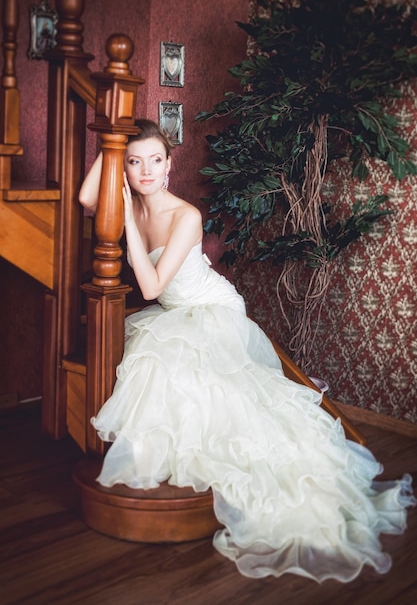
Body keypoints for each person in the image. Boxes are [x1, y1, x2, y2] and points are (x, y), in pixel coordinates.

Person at [79, 118, 415, 583]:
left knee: (193, 373)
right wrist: (109, 149)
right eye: (134, 163)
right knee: (161, 362)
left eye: (155, 160)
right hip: (179, 313)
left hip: (212, 309)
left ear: (170, 164)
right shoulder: (129, 198)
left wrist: (130, 229)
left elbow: (153, 286)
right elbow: (85, 199)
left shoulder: (185, 216)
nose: (145, 171)